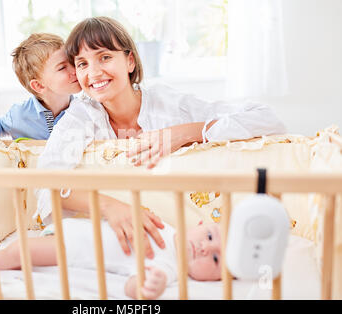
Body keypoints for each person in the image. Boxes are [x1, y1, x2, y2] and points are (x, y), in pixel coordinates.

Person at [34, 17, 287, 260]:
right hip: (121, 246)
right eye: (82, 64)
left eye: (105, 57)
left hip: (183, 237)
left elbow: (267, 119)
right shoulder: (81, 116)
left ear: (130, 61)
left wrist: (185, 133)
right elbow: (45, 184)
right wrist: (110, 207)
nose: (95, 72)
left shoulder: (169, 105)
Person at [0, 219, 221, 299]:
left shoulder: (170, 267)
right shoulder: (165, 224)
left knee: (19, 252)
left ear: (217, 278)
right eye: (209, 235)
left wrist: (147, 287)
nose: (204, 248)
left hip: (69, 248)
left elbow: (136, 283)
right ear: (199, 223)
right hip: (74, 226)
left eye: (217, 259)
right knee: (19, 251)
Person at [0, 33, 81, 147]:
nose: (75, 69)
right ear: (39, 86)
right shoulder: (19, 114)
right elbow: (0, 123)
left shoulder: (84, 109)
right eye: (62, 67)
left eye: (72, 61)